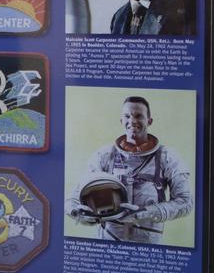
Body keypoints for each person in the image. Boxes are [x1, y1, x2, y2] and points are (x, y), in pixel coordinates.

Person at [66, 96, 193, 243]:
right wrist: (80, 214)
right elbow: (72, 200)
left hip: (147, 248)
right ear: (121, 121)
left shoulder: (167, 157)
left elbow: (185, 202)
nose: (132, 121)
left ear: (149, 121)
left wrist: (145, 212)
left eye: (139, 116)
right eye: (127, 116)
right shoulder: (105, 155)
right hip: (108, 243)